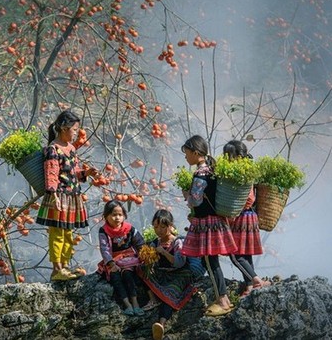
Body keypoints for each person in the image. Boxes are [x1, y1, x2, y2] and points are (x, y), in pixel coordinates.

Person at [37, 110, 99, 281]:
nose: (76, 134)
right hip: (58, 196)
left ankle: (64, 267)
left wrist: (86, 172)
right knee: (57, 233)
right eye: (74, 130)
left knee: (68, 234)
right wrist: (54, 196)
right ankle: (57, 269)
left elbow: (72, 173)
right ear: (64, 128)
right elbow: (51, 173)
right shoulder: (53, 149)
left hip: (72, 196)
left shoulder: (71, 149)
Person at [180, 135, 237, 317]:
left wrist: (186, 194)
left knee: (210, 262)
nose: (186, 157)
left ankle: (221, 300)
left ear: (196, 153)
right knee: (214, 261)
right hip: (216, 220)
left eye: (187, 153)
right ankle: (225, 299)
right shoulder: (212, 170)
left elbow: (195, 201)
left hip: (206, 224)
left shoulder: (199, 174)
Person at [223, 140, 271, 297]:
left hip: (242, 216)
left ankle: (255, 280)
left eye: (229, 156)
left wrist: (232, 213)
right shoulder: (246, 169)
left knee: (234, 253)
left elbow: (248, 198)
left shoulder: (245, 172)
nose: (227, 160)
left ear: (238, 156)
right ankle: (250, 285)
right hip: (247, 216)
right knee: (244, 252)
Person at [139, 209, 197, 340]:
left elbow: (178, 263)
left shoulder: (177, 242)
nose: (159, 230)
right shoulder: (155, 242)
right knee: (140, 270)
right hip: (163, 273)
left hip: (179, 274)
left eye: (163, 227)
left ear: (170, 226)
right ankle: (153, 299)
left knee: (171, 292)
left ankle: (161, 323)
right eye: (156, 227)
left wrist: (164, 252)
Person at [97, 200, 145, 316]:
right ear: (106, 216)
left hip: (129, 260)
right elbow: (104, 249)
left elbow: (140, 244)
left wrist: (145, 256)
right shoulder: (104, 231)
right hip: (113, 261)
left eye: (120, 215)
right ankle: (127, 305)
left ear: (124, 216)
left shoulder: (129, 229)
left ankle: (135, 303)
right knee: (115, 278)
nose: (117, 218)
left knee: (128, 275)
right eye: (113, 215)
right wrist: (111, 264)